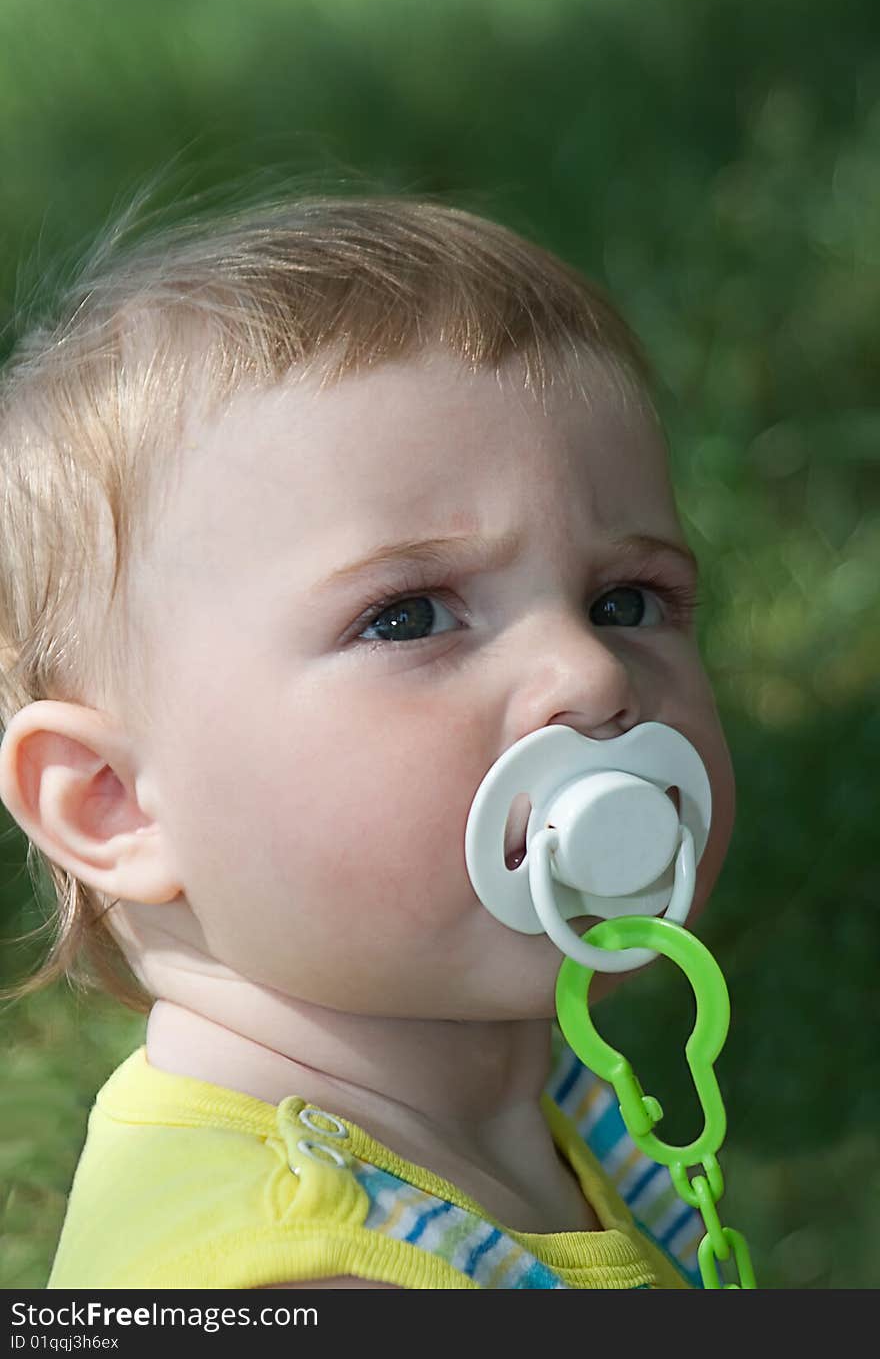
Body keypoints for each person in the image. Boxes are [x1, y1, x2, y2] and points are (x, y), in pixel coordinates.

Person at [0, 195, 735, 1289]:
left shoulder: (545, 1096)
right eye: (410, 616)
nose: (588, 673)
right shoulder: (289, 1276)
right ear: (116, 801)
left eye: (625, 599)